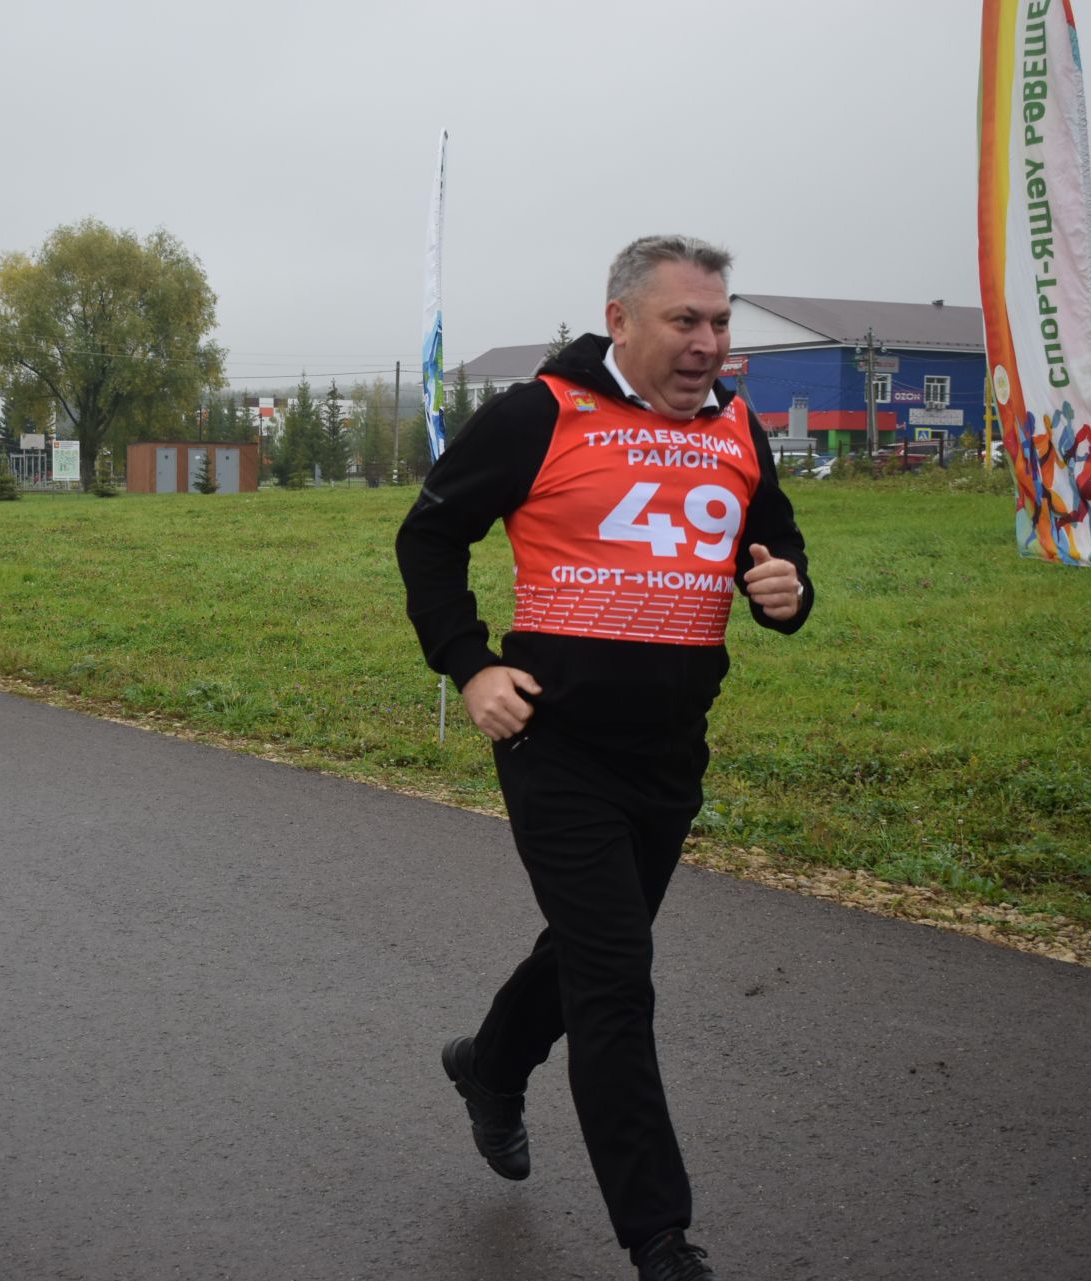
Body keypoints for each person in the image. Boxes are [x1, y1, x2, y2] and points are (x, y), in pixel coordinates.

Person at [395, 235, 813, 1281]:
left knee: (591, 953)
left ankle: (490, 1065)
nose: (708, 344)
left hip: (671, 751)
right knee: (619, 982)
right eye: (686, 322)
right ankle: (661, 1240)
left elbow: (778, 552)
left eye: (720, 322)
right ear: (621, 320)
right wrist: (470, 666)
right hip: (556, 742)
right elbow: (430, 537)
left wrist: (788, 593)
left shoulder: (738, 427)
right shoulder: (542, 413)